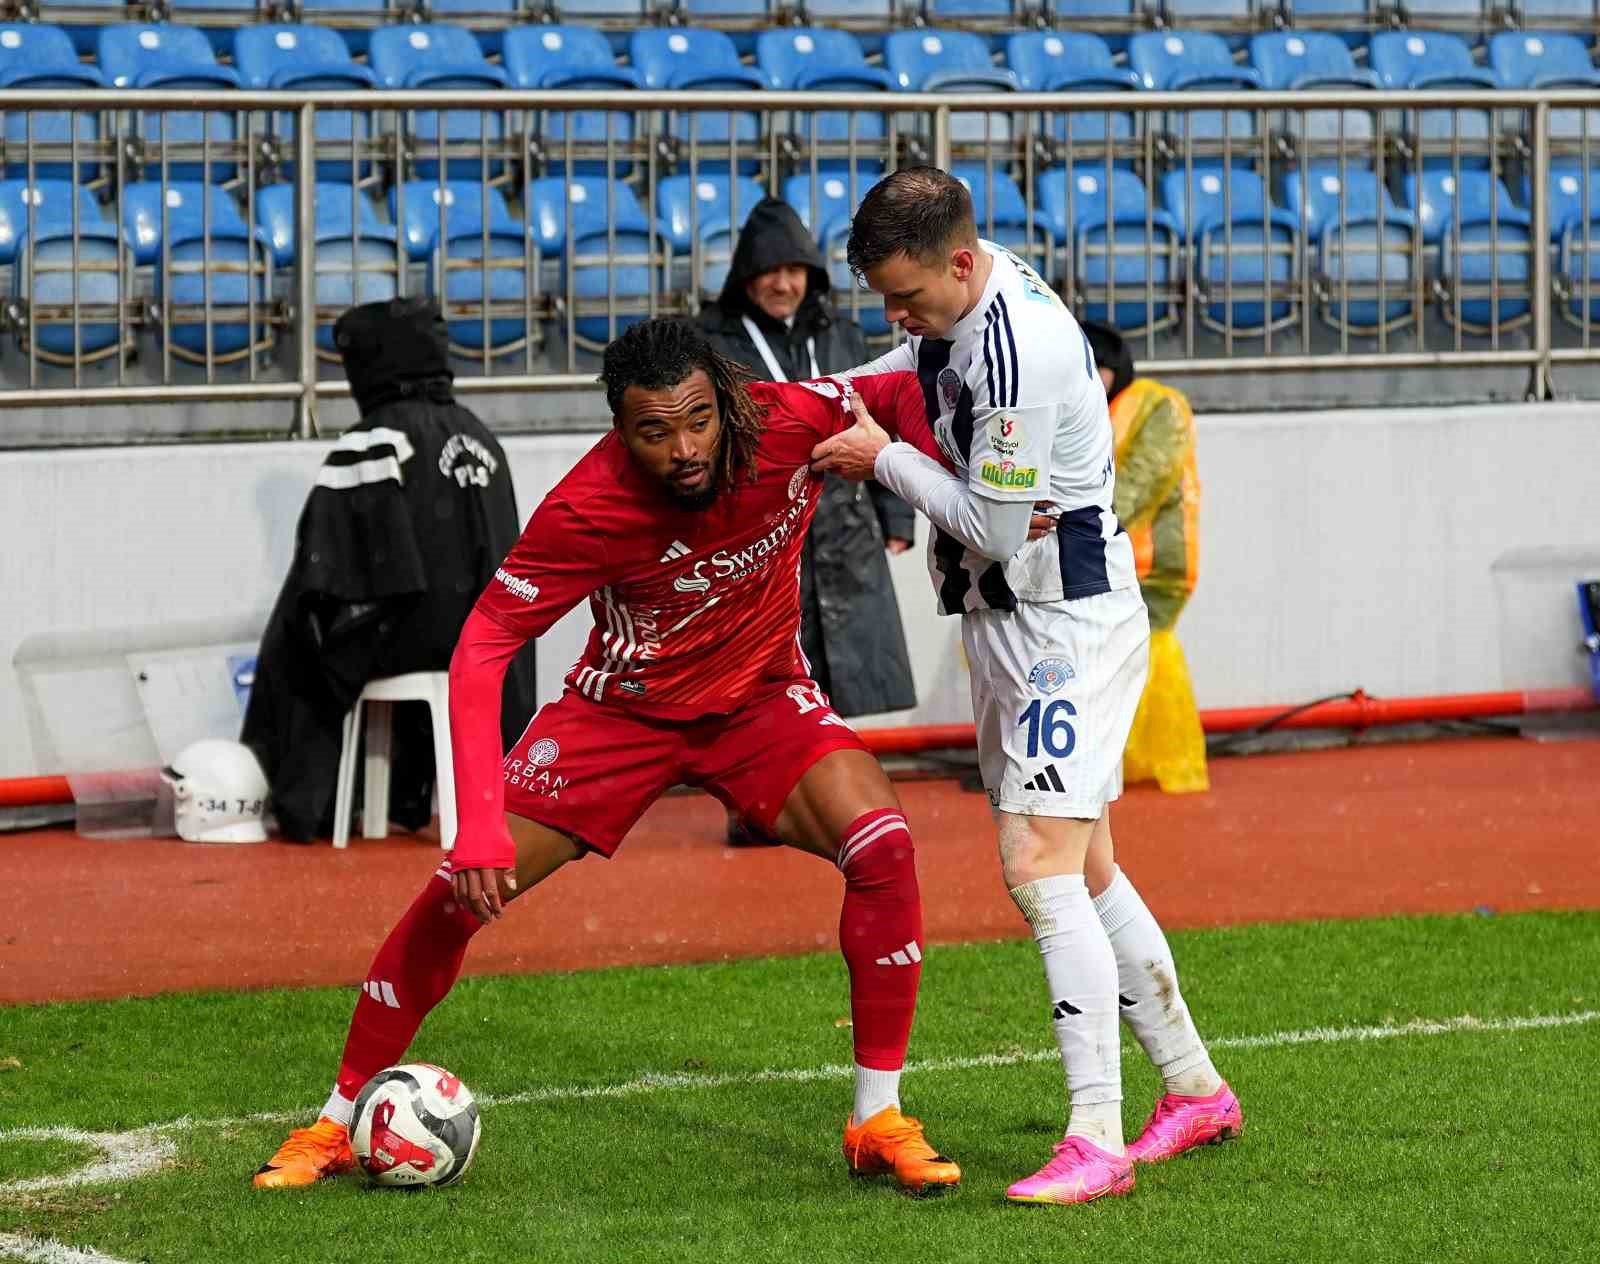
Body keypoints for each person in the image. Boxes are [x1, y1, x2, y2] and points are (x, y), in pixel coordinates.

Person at [252, 318, 960, 1195]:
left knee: (884, 846)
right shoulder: (590, 505)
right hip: (620, 715)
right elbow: (482, 646)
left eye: (699, 419)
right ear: (618, 429)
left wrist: (944, 468)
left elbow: (911, 386)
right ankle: (331, 1122)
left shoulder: (794, 418)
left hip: (760, 699)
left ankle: (877, 1119)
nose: (685, 449)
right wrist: (476, 827)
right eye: (654, 432)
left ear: (727, 397)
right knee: (456, 895)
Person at [813, 168, 1240, 1206]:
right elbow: (911, 361)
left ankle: (1094, 1132)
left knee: (1035, 861)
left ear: (960, 263)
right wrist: (823, 397)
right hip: (1011, 621)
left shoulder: (1021, 349)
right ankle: (1192, 1087)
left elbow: (993, 527)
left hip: (1058, 624)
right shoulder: (966, 300)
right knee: (1086, 864)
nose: (894, 313)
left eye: (905, 292)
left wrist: (882, 461)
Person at [242, 298, 536, 841]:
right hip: (492, 639)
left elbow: (335, 569)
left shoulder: (375, 438)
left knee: (298, 639)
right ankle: (408, 792)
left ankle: (304, 803)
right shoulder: (481, 436)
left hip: (420, 635)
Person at [699, 197, 916, 850]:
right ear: (746, 274)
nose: (784, 282)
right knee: (760, 675)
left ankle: (832, 807)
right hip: (759, 531)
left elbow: (882, 418)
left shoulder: (840, 334)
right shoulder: (714, 341)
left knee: (837, 676)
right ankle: (755, 805)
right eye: (770, 270)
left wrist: (895, 511)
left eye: (796, 270)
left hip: (842, 524)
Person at [1080, 321, 1209, 795]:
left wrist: (1075, 527)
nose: (1089, 377)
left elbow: (1141, 481)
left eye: (1097, 367)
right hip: (1100, 557)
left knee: (1142, 653)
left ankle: (1141, 760)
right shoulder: (1085, 408)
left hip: (1150, 563)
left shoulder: (1158, 405)